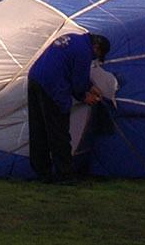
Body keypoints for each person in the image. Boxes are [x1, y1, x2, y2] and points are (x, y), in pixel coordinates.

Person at [26, 30, 110, 183]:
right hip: (53, 86)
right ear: (96, 47)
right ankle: (66, 175)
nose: (95, 58)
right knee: (59, 132)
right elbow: (77, 82)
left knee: (38, 130)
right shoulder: (85, 51)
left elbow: (70, 67)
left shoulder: (73, 38)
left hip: (35, 78)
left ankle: (42, 174)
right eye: (97, 55)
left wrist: (90, 86)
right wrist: (85, 96)